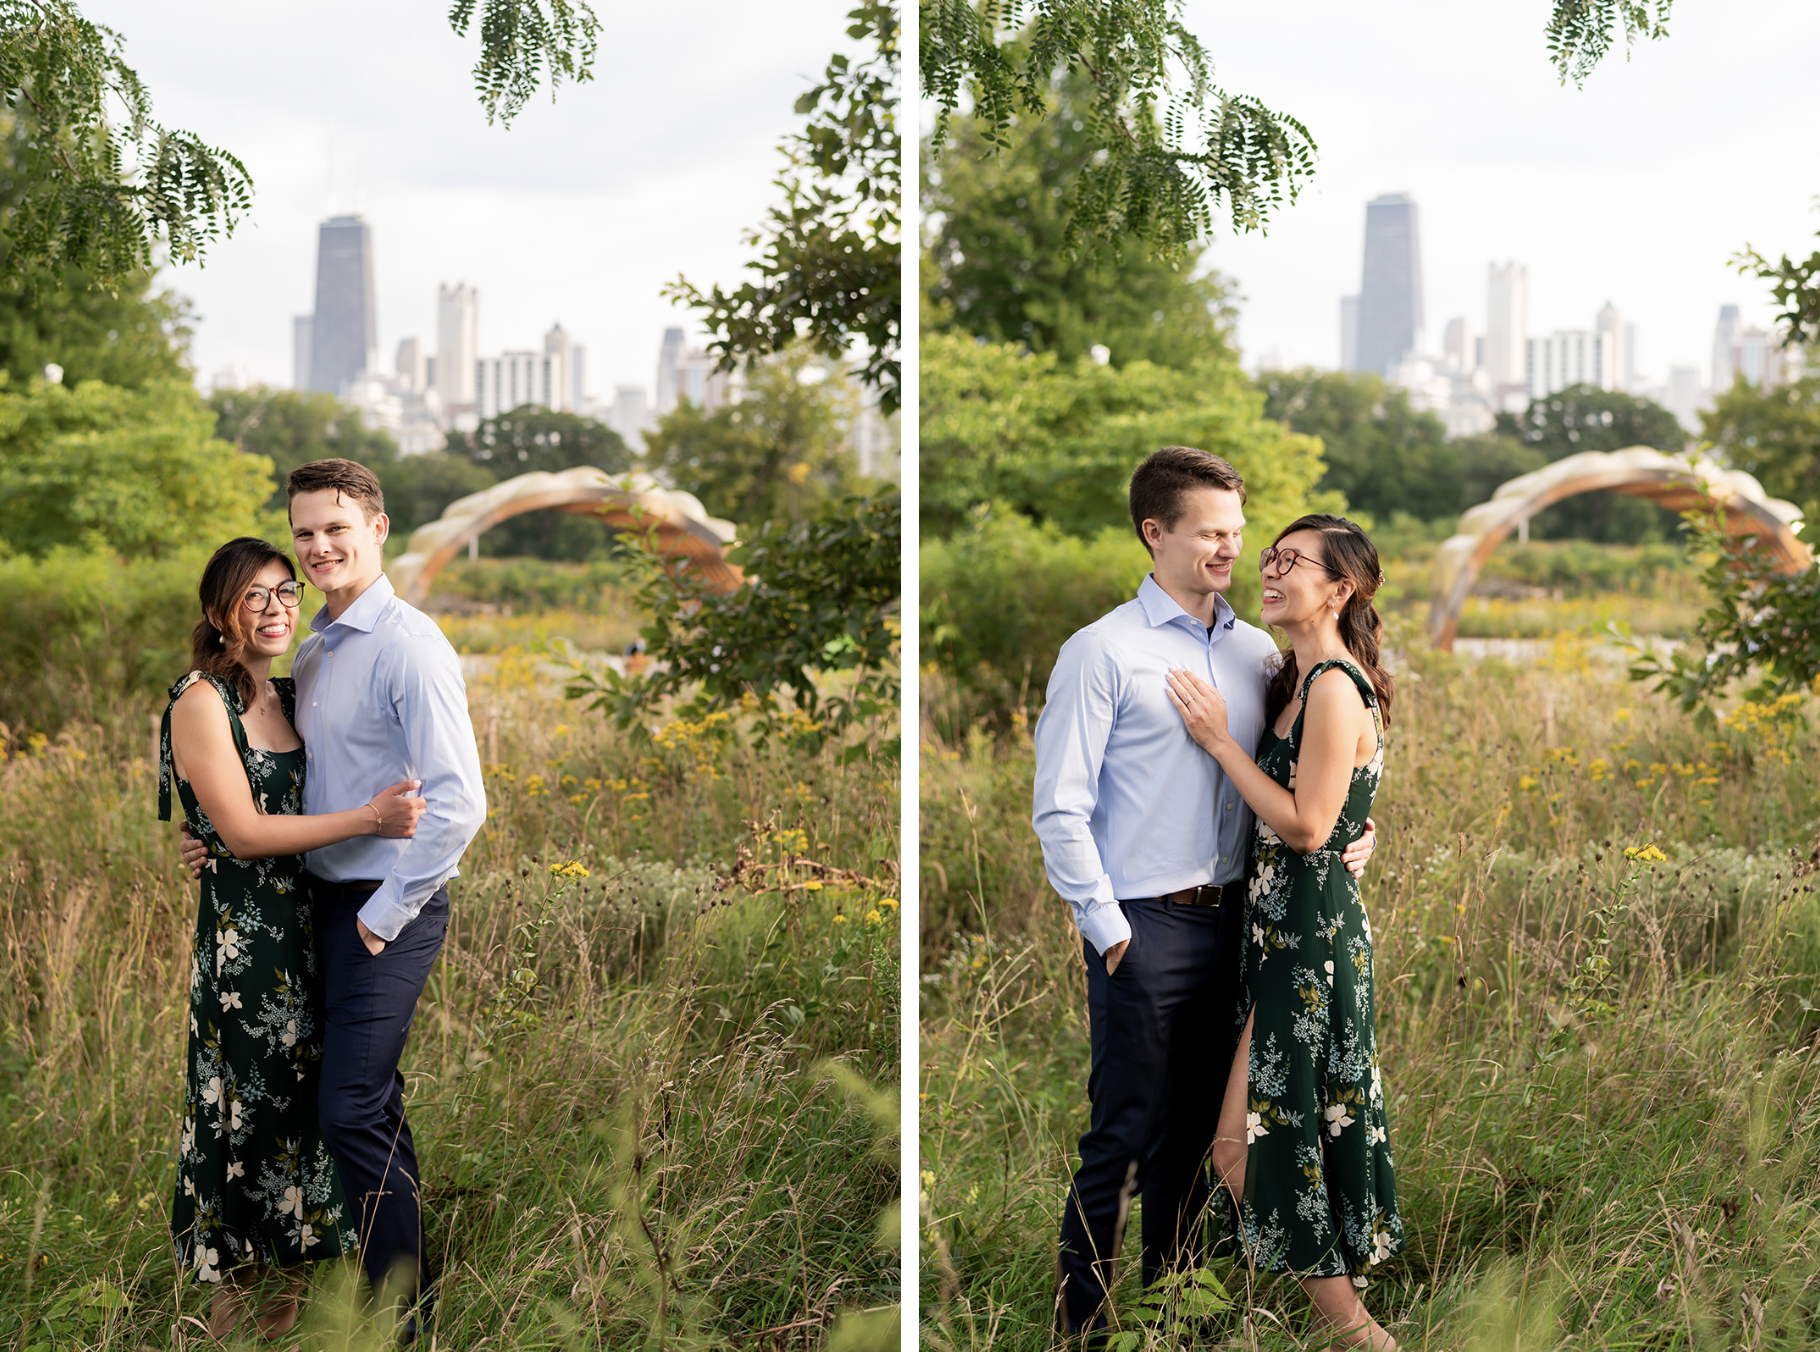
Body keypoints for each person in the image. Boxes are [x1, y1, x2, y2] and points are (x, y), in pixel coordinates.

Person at [1031, 448, 1377, 1345]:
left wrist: (1351, 841)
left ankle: (1170, 1321)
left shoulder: (1261, 652)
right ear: (1157, 532)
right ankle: (1089, 1331)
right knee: (1125, 1138)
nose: (1234, 549)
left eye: (1239, 531)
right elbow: (1060, 809)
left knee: (1200, 1146)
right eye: (1212, 533)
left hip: (1244, 927)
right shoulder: (1103, 650)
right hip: (1143, 928)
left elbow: (1312, 782)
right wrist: (1108, 933)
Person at [181, 459, 487, 1338]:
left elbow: (459, 804)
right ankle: (401, 1281)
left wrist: (381, 920)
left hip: (385, 909)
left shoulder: (411, 646)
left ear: (378, 530)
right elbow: (281, 781)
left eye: (336, 529)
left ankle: (404, 1316)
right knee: (358, 1104)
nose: (318, 547)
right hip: (307, 908)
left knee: (347, 1104)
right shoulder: (310, 653)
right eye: (305, 531)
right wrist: (216, 834)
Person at [161, 536, 429, 1338]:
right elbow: (241, 832)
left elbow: (261, 808)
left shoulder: (290, 684)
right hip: (250, 942)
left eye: (286, 592)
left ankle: (298, 1294)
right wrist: (372, 819)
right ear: (220, 611)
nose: (277, 609)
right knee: (250, 1110)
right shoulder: (200, 698)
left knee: (306, 1112)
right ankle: (237, 1314)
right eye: (255, 597)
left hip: (314, 921)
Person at [1165, 513, 1402, 1350]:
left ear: (1341, 589)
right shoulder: (1289, 678)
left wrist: (1218, 743)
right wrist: (1354, 839)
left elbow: (1308, 827)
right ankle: (1351, 1327)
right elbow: (1342, 816)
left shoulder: (1336, 685)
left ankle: (1361, 1336)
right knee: (1254, 1140)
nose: (1269, 570)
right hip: (1275, 934)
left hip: (1310, 943)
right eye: (1270, 557)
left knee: (1246, 1146)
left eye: (1291, 562)